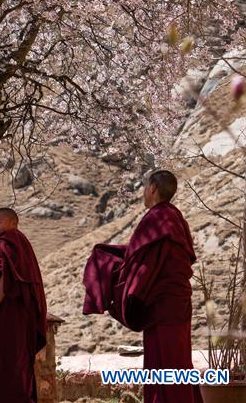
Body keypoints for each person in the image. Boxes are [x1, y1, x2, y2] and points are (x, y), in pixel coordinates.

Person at [83, 170, 203, 403]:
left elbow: (141, 263)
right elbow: (144, 256)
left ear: (153, 189)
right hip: (176, 301)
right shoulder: (176, 217)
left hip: (162, 304)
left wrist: (113, 273)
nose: (143, 192)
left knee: (165, 364)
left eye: (145, 187)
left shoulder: (157, 217)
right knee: (176, 363)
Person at [0, 208, 47, 402]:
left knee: (2, 364)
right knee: (15, 363)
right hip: (19, 312)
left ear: (13, 223)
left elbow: (7, 277)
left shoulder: (10, 241)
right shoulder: (17, 242)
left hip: (8, 311)